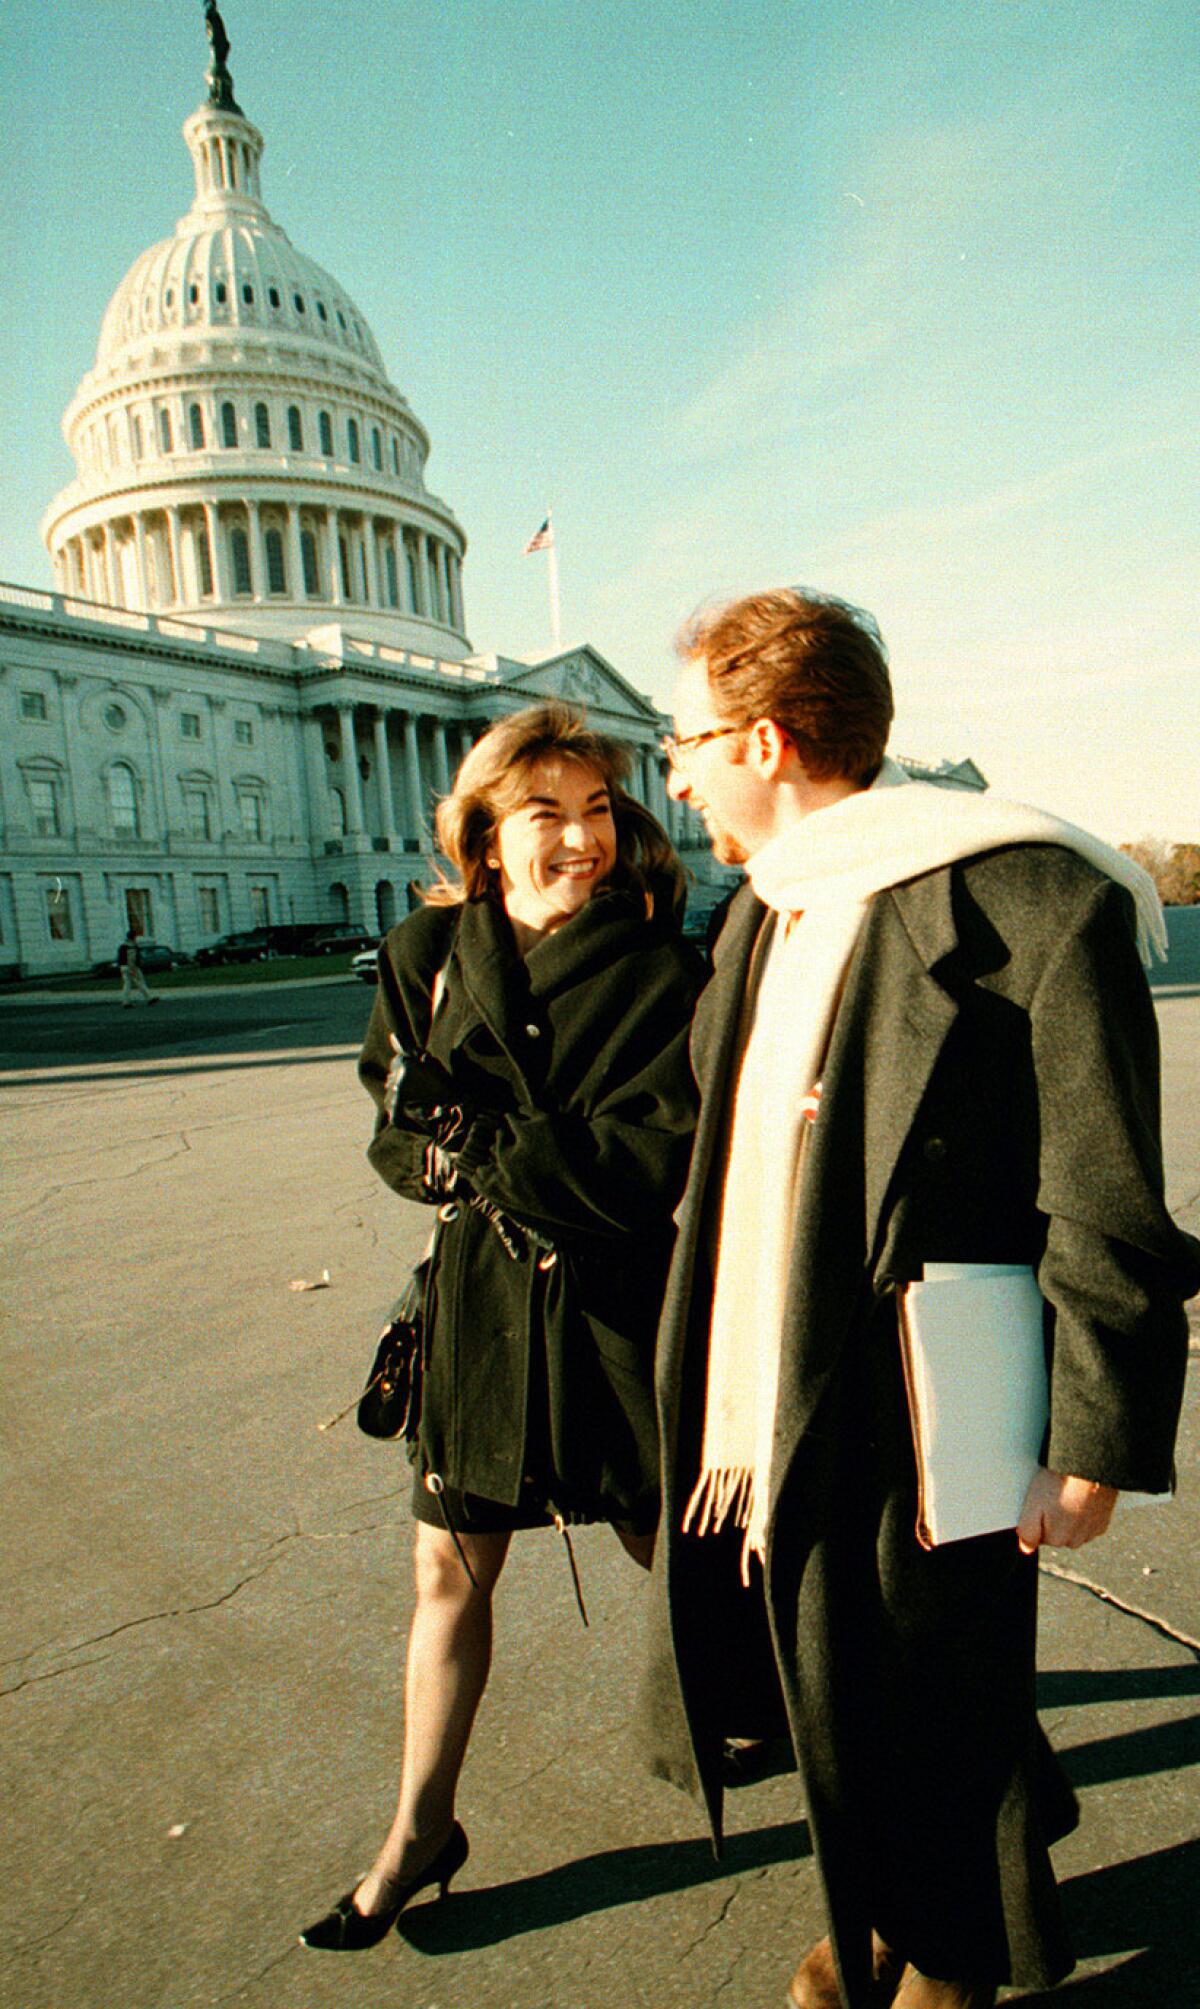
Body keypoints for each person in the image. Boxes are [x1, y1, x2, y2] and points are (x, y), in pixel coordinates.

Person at [641, 589, 1199, 2008]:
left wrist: (1094, 1440)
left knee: (929, 1683)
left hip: (938, 1386)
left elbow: (1107, 1194)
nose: (677, 773)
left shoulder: (1029, 898)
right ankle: (888, 1912)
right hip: (771, 1380)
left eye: (687, 740)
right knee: (840, 1680)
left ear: (765, 740)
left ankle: (959, 1953)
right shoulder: (766, 917)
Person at [302, 702, 704, 1953]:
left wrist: (487, 1141)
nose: (582, 840)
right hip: (480, 1311)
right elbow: (388, 1126)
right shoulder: (425, 950)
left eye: (599, 811)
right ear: (483, 832)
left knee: (682, 1558)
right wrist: (425, 1151)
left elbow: (650, 1160)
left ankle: (865, 1744)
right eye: (547, 815)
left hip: (614, 1309)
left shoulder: (663, 965)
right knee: (444, 1572)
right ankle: (419, 1829)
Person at [117, 926, 157, 1006]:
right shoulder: (131, 946)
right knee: (140, 982)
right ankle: (149, 998)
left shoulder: (122, 946)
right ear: (133, 937)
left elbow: (120, 958)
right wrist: (133, 968)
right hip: (131, 967)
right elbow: (131, 958)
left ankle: (125, 1001)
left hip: (123, 967)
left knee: (127, 985)